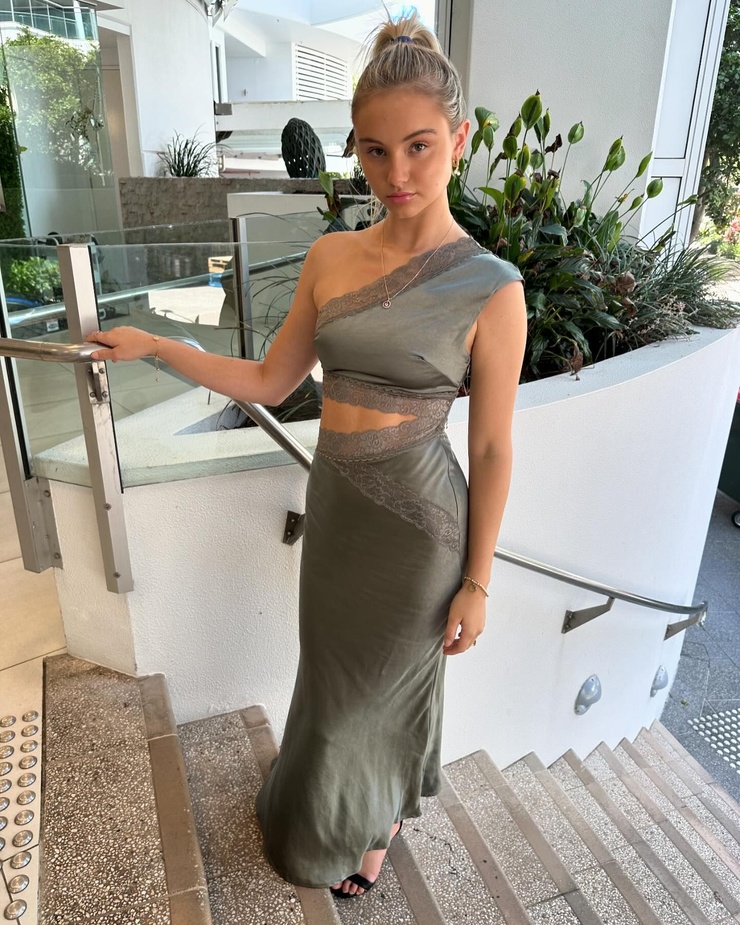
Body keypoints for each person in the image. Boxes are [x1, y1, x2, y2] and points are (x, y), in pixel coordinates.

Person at [86, 9, 527, 900]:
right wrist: (160, 345)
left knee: (377, 695)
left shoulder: (493, 288)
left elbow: (489, 444)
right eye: (374, 150)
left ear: (458, 141)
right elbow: (267, 377)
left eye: (419, 147)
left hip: (419, 532)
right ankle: (344, 815)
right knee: (329, 687)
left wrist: (478, 581)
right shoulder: (330, 257)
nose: (396, 174)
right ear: (354, 149)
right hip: (337, 514)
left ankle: (373, 825)